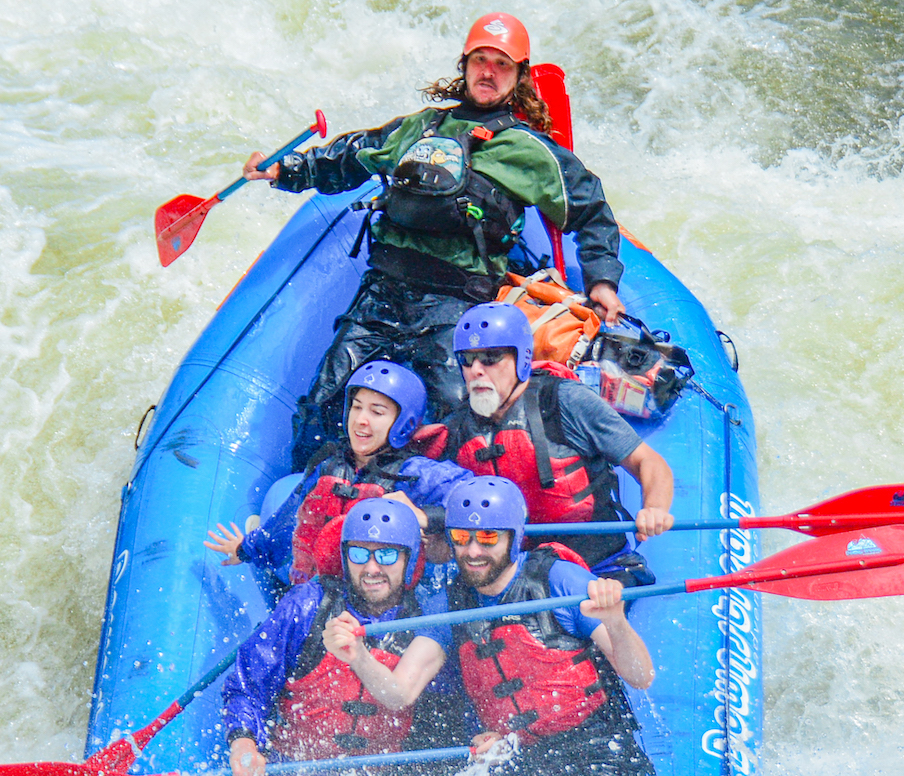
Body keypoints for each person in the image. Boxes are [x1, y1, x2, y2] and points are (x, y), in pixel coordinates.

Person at [242, 12, 627, 467]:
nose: (488, 71)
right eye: (480, 60)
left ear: (519, 77)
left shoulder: (530, 152)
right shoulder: (419, 127)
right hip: (381, 292)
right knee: (328, 400)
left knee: (451, 417)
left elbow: (592, 210)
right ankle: (313, 497)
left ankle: (434, 516)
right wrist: (285, 170)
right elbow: (350, 157)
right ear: (464, 65)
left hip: (457, 304)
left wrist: (603, 280)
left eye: (502, 64)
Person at [439, 475, 655, 776]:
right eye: (462, 537)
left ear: (513, 537)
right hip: (525, 764)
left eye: (488, 538)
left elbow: (641, 676)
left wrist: (615, 619)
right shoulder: (453, 602)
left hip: (602, 761)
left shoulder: (558, 580)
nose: (473, 550)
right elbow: (402, 690)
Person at [222, 497, 471, 776]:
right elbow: (247, 685)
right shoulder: (307, 606)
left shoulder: (424, 622)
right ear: (344, 556)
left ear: (409, 559)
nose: (372, 569)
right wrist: (244, 743)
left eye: (387, 555)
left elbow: (448, 710)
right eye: (359, 554)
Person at [418, 300, 674, 578]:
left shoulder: (564, 400)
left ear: (522, 359)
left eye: (491, 358)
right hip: (516, 577)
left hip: (599, 567)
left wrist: (655, 509)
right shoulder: (456, 429)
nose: (477, 370)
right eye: (467, 359)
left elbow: (647, 461)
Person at [205, 360, 473, 585]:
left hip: (380, 605)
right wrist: (247, 549)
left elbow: (476, 504)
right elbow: (289, 520)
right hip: (314, 593)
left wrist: (426, 517)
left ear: (404, 423)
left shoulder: (414, 474)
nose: (361, 420)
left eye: (377, 412)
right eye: (356, 407)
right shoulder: (328, 466)